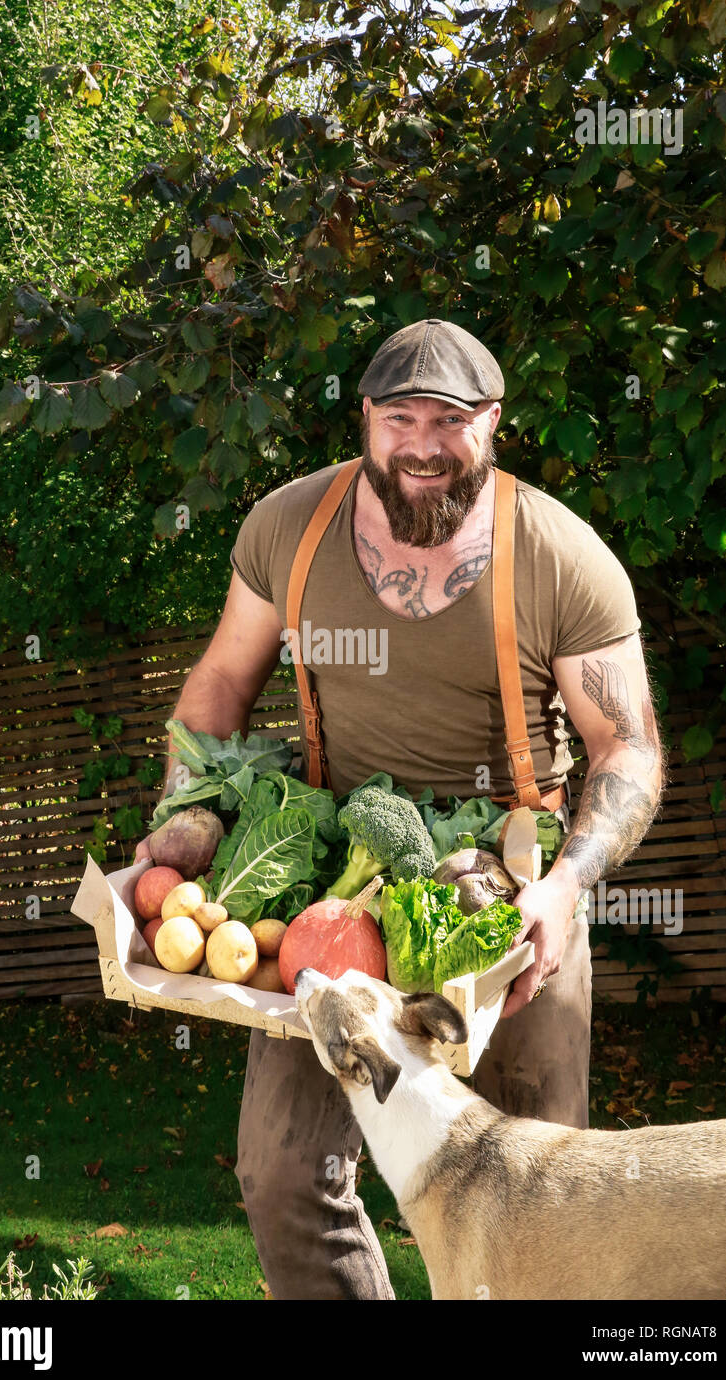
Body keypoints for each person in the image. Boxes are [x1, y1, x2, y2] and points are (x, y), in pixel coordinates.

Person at [135, 318, 665, 1300]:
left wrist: (566, 886)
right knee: (284, 1176)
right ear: (367, 418)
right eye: (400, 417)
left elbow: (624, 746)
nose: (423, 442)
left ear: (492, 423)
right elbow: (218, 682)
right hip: (337, 899)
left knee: (543, 1199)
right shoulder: (289, 527)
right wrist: (188, 805)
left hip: (506, 901)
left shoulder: (556, 553)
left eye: (449, 420)